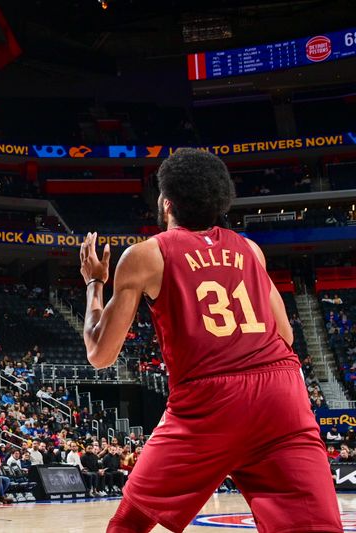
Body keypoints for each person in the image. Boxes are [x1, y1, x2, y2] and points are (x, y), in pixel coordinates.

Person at [79, 148, 341, 532]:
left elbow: (100, 354)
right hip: (281, 392)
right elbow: (284, 335)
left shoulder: (146, 255)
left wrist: (93, 284)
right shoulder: (250, 250)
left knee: (130, 522)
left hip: (211, 399)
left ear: (167, 203)